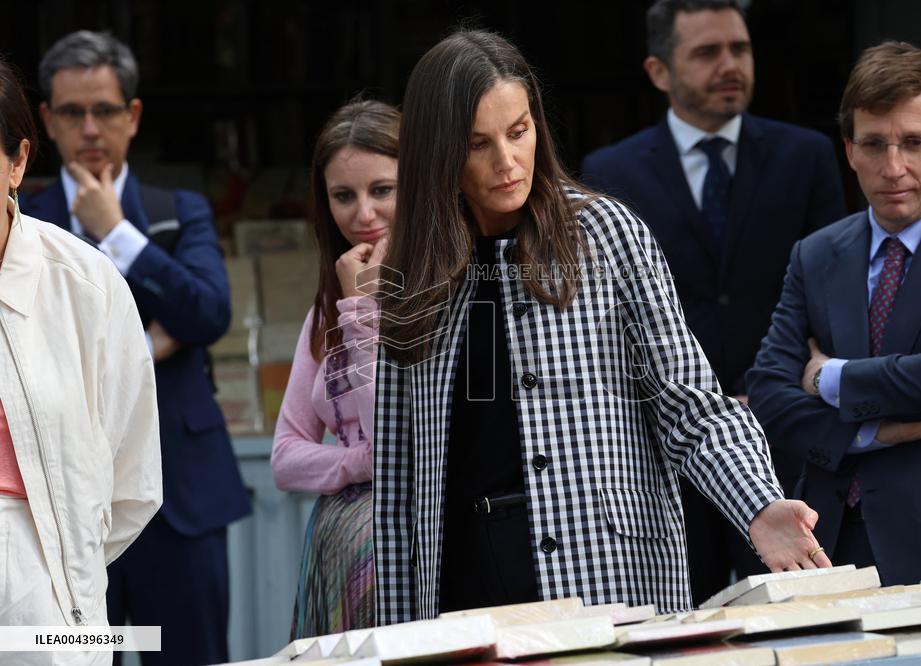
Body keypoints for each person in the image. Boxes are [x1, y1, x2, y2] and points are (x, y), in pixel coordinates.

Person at [373, 29, 831, 625]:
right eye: (477, 144)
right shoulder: (414, 271)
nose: (508, 162)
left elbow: (688, 401)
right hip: (463, 579)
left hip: (604, 569)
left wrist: (758, 504)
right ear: (438, 151)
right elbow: (397, 471)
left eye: (518, 132)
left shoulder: (605, 235)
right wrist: (395, 630)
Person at [581, 0, 846, 603]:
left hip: (784, 443)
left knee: (807, 620)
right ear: (659, 71)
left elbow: (830, 299)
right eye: (707, 52)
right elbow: (604, 319)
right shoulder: (608, 172)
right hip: (666, 454)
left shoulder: (805, 155)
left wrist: (775, 387)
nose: (730, 64)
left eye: (740, 49)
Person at [21, 31, 250, 665]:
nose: (90, 128)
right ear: (46, 121)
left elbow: (207, 313)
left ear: (133, 116)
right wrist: (147, 343)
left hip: (180, 492)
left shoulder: (178, 211)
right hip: (58, 509)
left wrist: (116, 234)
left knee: (189, 657)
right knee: (74, 658)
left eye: (105, 110)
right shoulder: (22, 219)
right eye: (72, 112)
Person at [746, 41, 921, 585]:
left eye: (914, 143)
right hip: (830, 542)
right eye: (874, 144)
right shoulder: (814, 254)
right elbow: (767, 393)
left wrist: (826, 376)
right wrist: (872, 434)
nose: (893, 167)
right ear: (848, 150)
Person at [0, 58, 160, 665]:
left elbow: (132, 480)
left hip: (53, 613)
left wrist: (63, 572)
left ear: (17, 160)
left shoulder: (83, 284)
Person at [271, 100, 397, 637]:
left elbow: (396, 431)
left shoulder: (453, 292)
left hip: (413, 550)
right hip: (340, 551)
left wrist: (364, 311)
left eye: (382, 190)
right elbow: (285, 456)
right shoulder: (327, 309)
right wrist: (357, 463)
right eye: (344, 196)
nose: (363, 215)